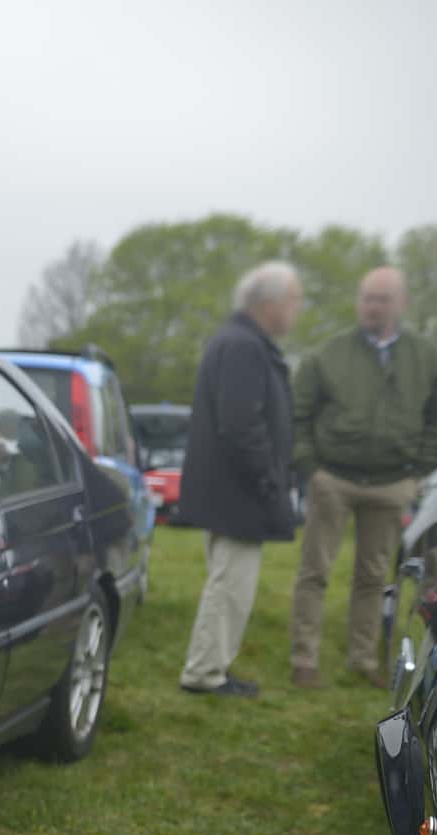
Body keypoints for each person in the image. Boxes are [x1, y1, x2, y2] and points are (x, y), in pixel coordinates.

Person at [289, 267, 437, 688]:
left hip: (392, 483)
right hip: (333, 479)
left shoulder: (428, 358)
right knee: (314, 570)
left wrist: (417, 474)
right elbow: (299, 413)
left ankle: (363, 660)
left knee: (374, 576)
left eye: (381, 299)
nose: (371, 307)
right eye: (366, 298)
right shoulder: (328, 353)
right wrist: (312, 469)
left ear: (402, 303)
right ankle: (303, 659)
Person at [177, 261, 304, 697]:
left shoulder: (240, 342)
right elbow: (240, 424)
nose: (296, 310)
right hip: (239, 490)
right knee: (230, 585)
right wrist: (268, 480)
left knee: (229, 581)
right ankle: (204, 673)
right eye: (293, 300)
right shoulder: (243, 347)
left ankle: (212, 667)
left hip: (233, 488)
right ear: (267, 303)